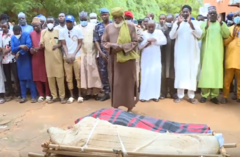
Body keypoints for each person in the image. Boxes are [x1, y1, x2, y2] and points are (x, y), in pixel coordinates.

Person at [102, 7, 139, 112]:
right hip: (114, 60)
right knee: (116, 82)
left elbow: (135, 41)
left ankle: (130, 106)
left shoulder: (130, 26)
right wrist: (113, 46)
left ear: (122, 17)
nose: (117, 20)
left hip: (127, 60)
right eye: (115, 18)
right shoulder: (108, 27)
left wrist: (122, 47)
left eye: (119, 17)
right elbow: (104, 42)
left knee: (128, 82)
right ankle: (116, 106)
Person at [169, 5, 202, 104]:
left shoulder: (195, 23)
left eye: (187, 12)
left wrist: (191, 24)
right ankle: (180, 95)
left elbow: (199, 35)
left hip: (192, 54)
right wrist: (178, 24)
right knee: (180, 73)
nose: (185, 13)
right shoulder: (177, 23)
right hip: (180, 54)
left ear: (190, 13)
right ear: (181, 13)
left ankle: (191, 96)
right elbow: (171, 36)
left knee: (192, 73)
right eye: (183, 11)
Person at [198, 6, 230, 104]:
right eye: (210, 13)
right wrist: (206, 27)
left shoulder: (221, 24)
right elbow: (199, 37)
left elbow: (226, 35)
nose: (212, 15)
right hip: (206, 54)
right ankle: (204, 95)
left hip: (217, 54)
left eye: (214, 13)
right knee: (206, 74)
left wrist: (221, 24)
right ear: (207, 15)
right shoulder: (203, 24)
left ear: (217, 15)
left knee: (216, 74)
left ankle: (214, 95)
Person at [40, 17, 66, 104]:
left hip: (57, 57)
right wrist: (40, 46)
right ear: (46, 23)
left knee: (60, 77)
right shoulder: (43, 32)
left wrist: (57, 46)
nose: (50, 23)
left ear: (54, 22)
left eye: (51, 21)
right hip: (48, 58)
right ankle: (54, 96)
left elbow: (61, 43)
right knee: (50, 78)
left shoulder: (58, 31)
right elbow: (41, 44)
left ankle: (62, 97)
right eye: (48, 22)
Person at [139, 20, 167, 102]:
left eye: (152, 27)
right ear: (146, 26)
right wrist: (147, 41)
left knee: (155, 76)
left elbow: (165, 41)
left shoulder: (159, 32)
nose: (151, 28)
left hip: (156, 58)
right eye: (149, 27)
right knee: (145, 75)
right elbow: (139, 47)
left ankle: (155, 96)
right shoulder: (143, 33)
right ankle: (144, 96)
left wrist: (155, 40)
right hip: (146, 58)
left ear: (155, 26)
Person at [78, 11, 102, 100]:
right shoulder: (77, 28)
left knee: (93, 73)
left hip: (92, 54)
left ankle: (95, 93)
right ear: (79, 19)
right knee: (85, 74)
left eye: (84, 19)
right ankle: (87, 93)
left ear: (87, 19)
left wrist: (97, 53)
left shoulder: (93, 27)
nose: (83, 21)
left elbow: (96, 40)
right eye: (81, 19)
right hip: (83, 54)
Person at [59, 15, 83, 103]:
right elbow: (63, 44)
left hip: (76, 56)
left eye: (70, 22)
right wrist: (67, 54)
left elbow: (80, 43)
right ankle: (71, 96)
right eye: (67, 22)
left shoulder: (78, 30)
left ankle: (80, 95)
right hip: (67, 57)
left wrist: (73, 54)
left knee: (78, 76)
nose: (68, 23)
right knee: (68, 77)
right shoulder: (62, 31)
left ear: (73, 22)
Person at [11, 25, 37, 103]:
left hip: (26, 59)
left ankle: (34, 96)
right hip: (19, 61)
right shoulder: (13, 37)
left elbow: (28, 46)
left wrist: (19, 52)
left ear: (21, 31)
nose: (16, 34)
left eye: (17, 32)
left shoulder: (26, 35)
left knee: (30, 78)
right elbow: (12, 49)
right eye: (15, 33)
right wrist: (20, 46)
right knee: (21, 79)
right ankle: (23, 96)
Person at [220, 13, 240, 104]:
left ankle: (239, 96)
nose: (238, 18)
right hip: (230, 59)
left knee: (239, 81)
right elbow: (224, 43)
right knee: (227, 80)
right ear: (233, 18)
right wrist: (232, 35)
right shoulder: (229, 29)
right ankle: (225, 96)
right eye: (236, 16)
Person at [30, 17, 51, 102]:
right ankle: (41, 94)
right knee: (37, 76)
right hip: (35, 57)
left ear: (41, 24)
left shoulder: (45, 32)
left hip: (44, 56)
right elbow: (29, 44)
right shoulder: (31, 33)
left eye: (37, 25)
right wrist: (31, 49)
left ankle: (48, 94)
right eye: (34, 26)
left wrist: (41, 47)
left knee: (45, 76)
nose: (36, 27)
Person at [93, 8, 112, 101]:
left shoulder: (114, 25)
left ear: (109, 14)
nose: (104, 16)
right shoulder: (98, 26)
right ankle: (106, 93)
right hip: (102, 55)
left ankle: (115, 92)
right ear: (100, 16)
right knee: (104, 74)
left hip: (113, 54)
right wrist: (101, 52)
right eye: (102, 15)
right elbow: (96, 40)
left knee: (114, 73)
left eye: (105, 14)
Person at [1, 21, 21, 101]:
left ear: (8, 26)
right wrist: (3, 50)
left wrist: (9, 50)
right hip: (5, 59)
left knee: (16, 76)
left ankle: (18, 92)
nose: (3, 29)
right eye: (2, 27)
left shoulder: (13, 34)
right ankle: (11, 92)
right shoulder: (0, 35)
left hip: (13, 58)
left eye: (5, 27)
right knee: (8, 77)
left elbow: (16, 45)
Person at [160, 14, 177, 99]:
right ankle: (163, 93)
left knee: (173, 74)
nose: (169, 23)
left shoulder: (176, 30)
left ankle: (173, 93)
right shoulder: (162, 30)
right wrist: (164, 30)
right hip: (164, 55)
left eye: (171, 21)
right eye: (168, 21)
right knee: (163, 75)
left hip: (174, 56)